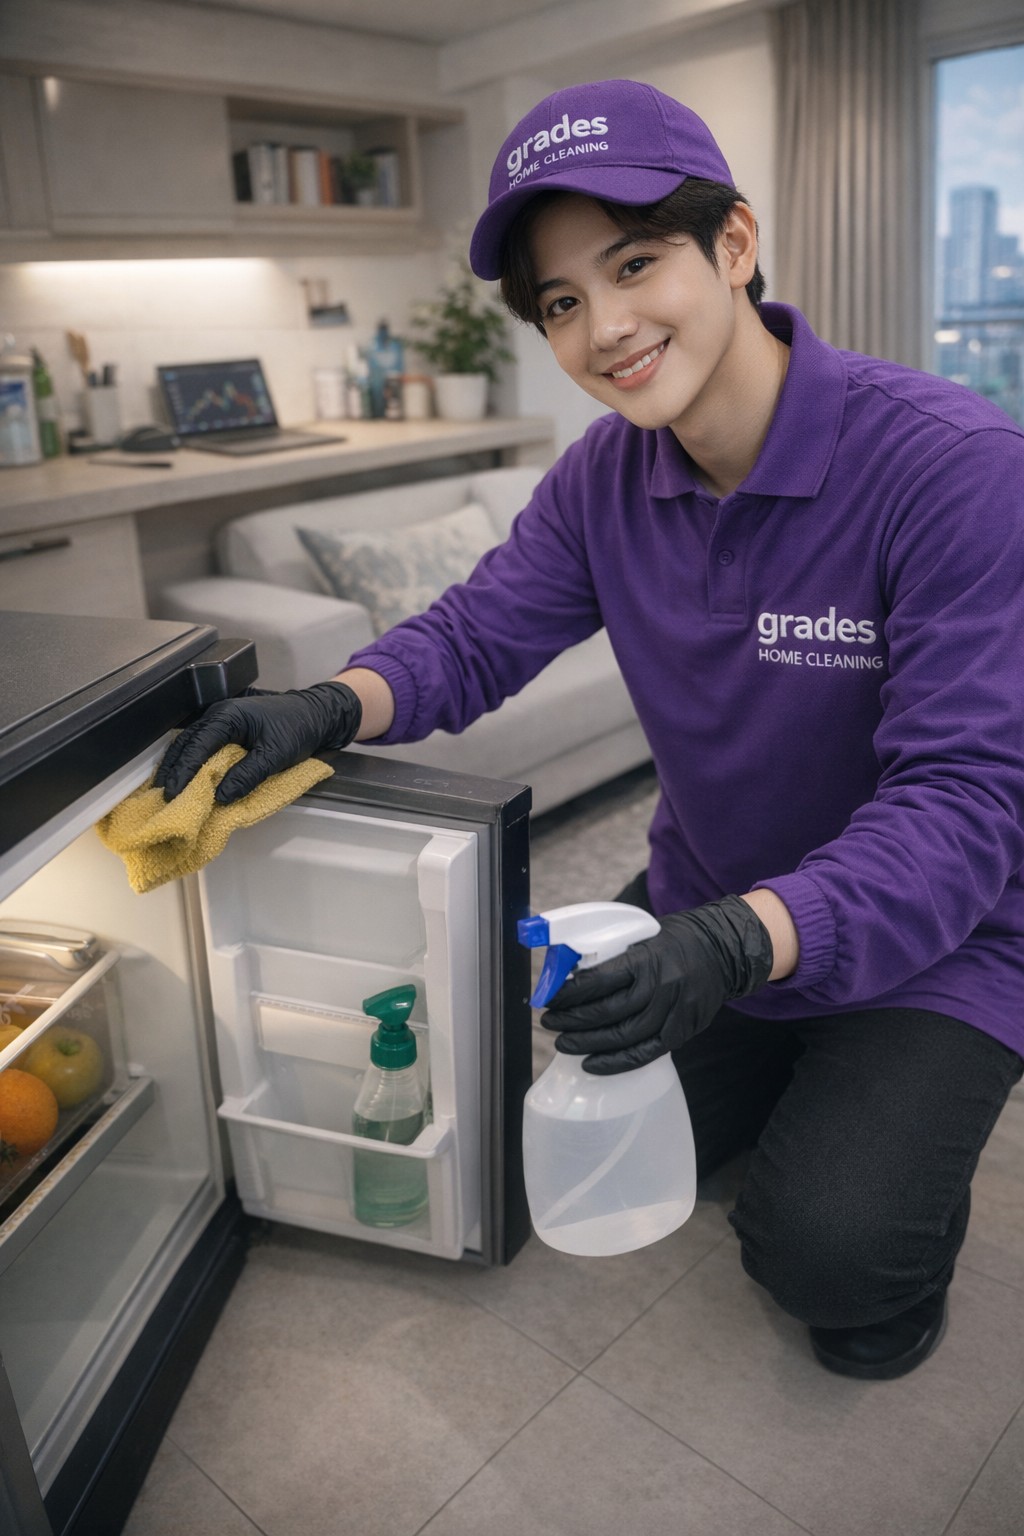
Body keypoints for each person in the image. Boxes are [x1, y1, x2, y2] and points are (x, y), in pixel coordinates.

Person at [157, 79, 1024, 1381]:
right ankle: (804, 1074)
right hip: (709, 900)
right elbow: (473, 635)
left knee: (830, 1262)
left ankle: (869, 1120)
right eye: (562, 301)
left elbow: (968, 810)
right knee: (559, 1111)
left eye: (634, 263)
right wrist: (325, 704)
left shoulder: (953, 466)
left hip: (941, 940)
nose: (604, 328)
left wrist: (737, 948)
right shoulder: (605, 479)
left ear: (733, 244)